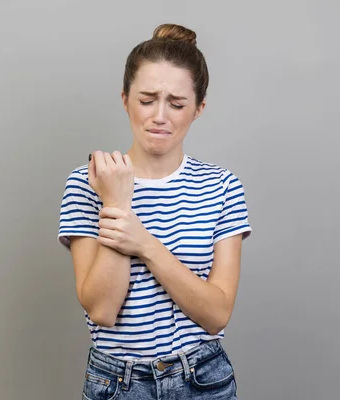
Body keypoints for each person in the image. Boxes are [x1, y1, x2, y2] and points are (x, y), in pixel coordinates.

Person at [57, 23, 252, 399]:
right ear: (125, 98)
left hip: (203, 379)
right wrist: (116, 202)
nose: (160, 116)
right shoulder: (89, 181)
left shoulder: (222, 186)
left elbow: (216, 314)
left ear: (198, 109)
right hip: (118, 384)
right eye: (147, 100)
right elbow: (102, 310)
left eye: (176, 104)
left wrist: (145, 244)